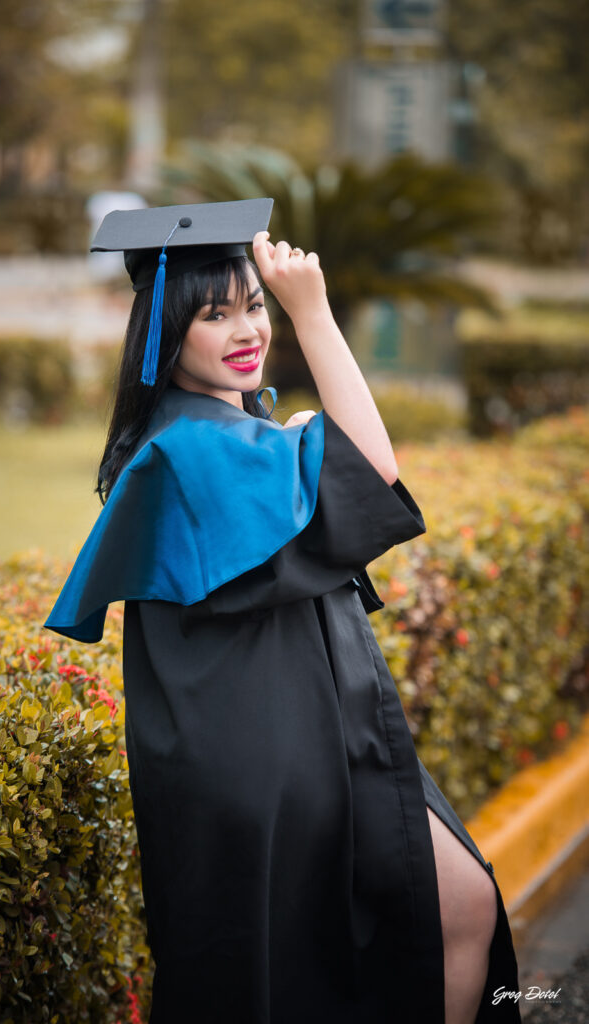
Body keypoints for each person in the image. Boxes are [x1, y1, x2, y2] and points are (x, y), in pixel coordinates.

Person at [44, 199, 522, 1024]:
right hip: (268, 763)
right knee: (308, 970)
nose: (245, 329)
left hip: (309, 736)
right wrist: (314, 312)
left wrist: (296, 429)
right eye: (213, 313)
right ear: (166, 333)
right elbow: (374, 469)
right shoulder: (192, 447)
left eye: (255, 304)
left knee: (459, 906)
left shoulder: (216, 430)